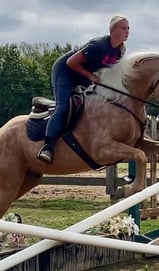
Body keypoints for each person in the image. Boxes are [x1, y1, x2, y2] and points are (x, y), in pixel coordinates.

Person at [37, 14, 130, 164]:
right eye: (123, 28)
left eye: (128, 28)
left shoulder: (120, 50)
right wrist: (90, 76)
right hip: (65, 71)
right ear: (113, 30)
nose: (127, 31)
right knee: (63, 106)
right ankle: (47, 147)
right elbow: (71, 62)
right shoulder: (98, 45)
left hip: (85, 75)